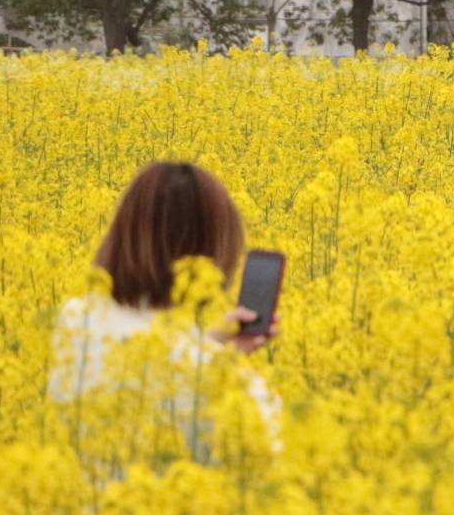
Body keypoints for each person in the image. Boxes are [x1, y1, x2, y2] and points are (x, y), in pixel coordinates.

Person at [48, 161, 282, 472]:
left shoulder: (73, 320)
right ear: (215, 255)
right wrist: (209, 358)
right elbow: (267, 486)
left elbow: (142, 357)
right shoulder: (231, 386)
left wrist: (206, 345)